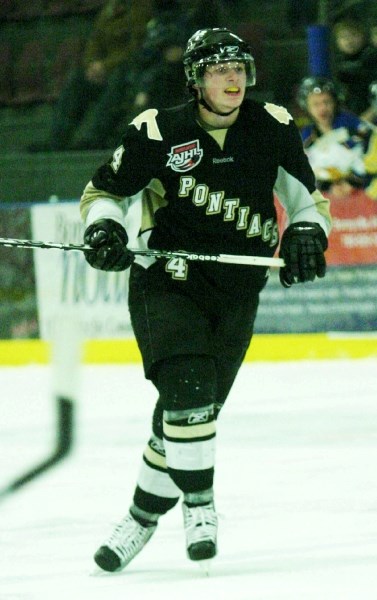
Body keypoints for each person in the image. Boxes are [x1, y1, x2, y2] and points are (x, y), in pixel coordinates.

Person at [80, 27, 332, 573]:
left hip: (239, 290)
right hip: (166, 281)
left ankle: (140, 519)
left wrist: (309, 233)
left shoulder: (273, 126)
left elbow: (307, 202)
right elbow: (104, 194)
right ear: (196, 80)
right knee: (188, 389)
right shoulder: (157, 131)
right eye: (219, 69)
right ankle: (200, 505)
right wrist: (104, 231)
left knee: (187, 414)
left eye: (239, 66)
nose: (233, 77)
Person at [29, 0, 153, 151]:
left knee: (119, 78)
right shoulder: (109, 9)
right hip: (104, 71)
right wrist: (92, 65)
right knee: (77, 79)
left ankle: (94, 138)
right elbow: (94, 41)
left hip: (129, 72)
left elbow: (135, 48)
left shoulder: (140, 8)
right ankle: (58, 139)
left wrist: (105, 66)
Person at [297, 76, 371, 196]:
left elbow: (370, 159)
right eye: (315, 104)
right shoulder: (306, 136)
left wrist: (351, 183)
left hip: (362, 195)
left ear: (335, 102)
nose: (322, 109)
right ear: (307, 108)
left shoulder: (353, 126)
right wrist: (328, 187)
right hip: (326, 200)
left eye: (326, 102)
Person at [332, 17, 377, 118]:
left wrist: (371, 112)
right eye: (343, 37)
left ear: (363, 36)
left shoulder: (371, 58)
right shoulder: (339, 63)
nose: (349, 41)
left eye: (353, 35)